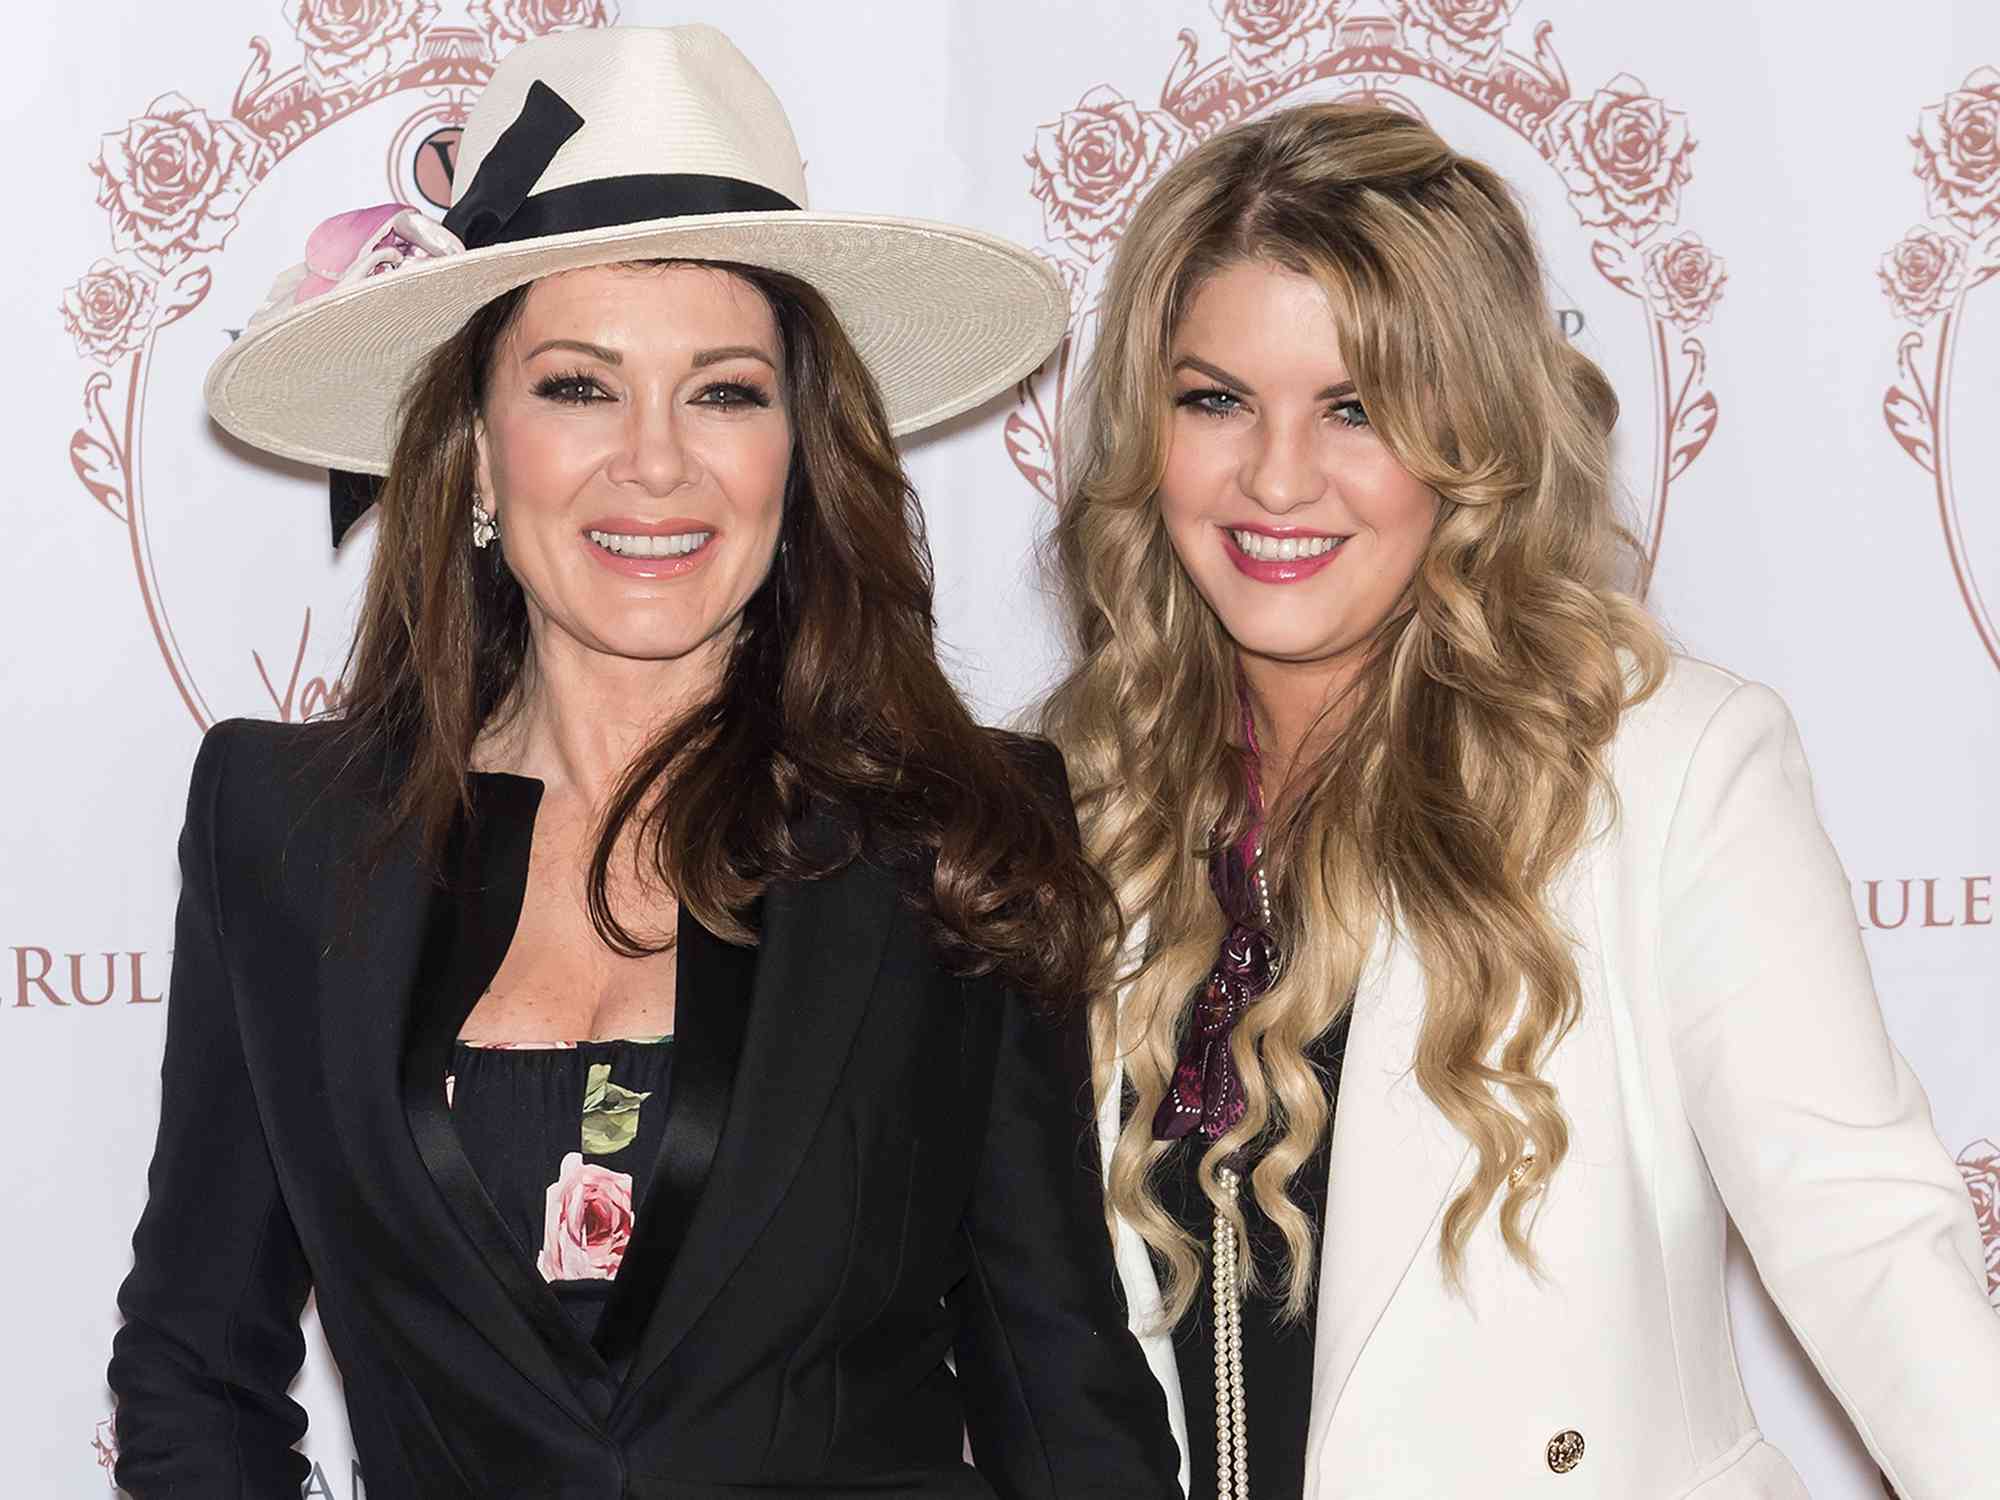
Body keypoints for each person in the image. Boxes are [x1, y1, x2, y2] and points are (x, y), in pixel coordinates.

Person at [107, 26, 1180, 1500]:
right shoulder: (281, 828)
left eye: (726, 392)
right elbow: (194, 1369)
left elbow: (1058, 1383)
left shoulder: (958, 834)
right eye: (577, 387)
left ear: (799, 452)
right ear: (476, 453)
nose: (656, 462)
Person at [1041, 102, 2000, 1500]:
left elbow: (1869, 1249)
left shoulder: (1665, 770)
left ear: (1471, 440)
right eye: (1216, 399)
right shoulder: (1075, 806)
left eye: (1357, 408)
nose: (1276, 476)